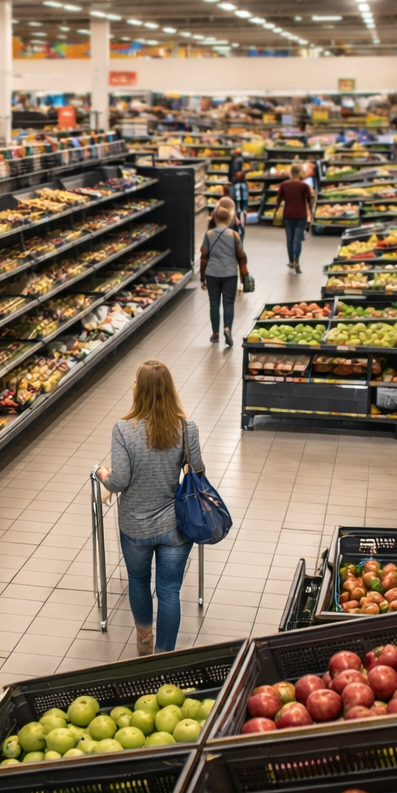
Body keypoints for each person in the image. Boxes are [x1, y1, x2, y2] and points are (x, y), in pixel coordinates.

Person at [97, 361, 206, 656]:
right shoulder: (186, 428)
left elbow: (119, 481)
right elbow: (197, 471)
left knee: (138, 581)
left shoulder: (123, 429)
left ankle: (144, 641)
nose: (132, 386)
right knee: (169, 591)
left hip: (135, 526)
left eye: (135, 382)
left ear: (141, 390)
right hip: (175, 525)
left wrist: (102, 473)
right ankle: (164, 654)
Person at [200, 205, 245, 347]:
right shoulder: (234, 235)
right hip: (230, 274)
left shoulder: (208, 235)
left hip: (212, 274)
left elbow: (203, 257)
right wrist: (243, 276)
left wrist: (202, 277)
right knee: (229, 303)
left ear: (215, 218)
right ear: (230, 219)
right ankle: (227, 329)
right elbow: (241, 256)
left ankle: (215, 334)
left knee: (214, 304)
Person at [275, 164, 315, 272]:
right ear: (299, 173)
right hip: (301, 215)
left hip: (288, 215)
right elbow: (309, 199)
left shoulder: (283, 185)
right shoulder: (304, 186)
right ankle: (297, 260)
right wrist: (311, 213)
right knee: (297, 240)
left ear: (291, 173)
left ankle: (291, 261)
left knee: (289, 239)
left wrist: (276, 211)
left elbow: (279, 200)